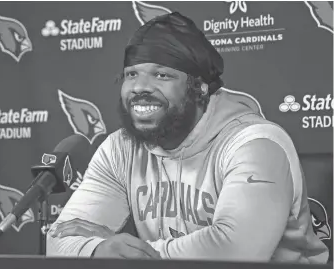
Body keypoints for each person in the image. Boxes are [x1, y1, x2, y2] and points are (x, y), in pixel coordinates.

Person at [46, 12, 329, 263]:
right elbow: (59, 240)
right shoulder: (121, 149)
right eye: (132, 74)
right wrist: (97, 251)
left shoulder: (255, 143)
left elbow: (236, 252)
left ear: (200, 88)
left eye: (162, 75)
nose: (140, 87)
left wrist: (127, 250)